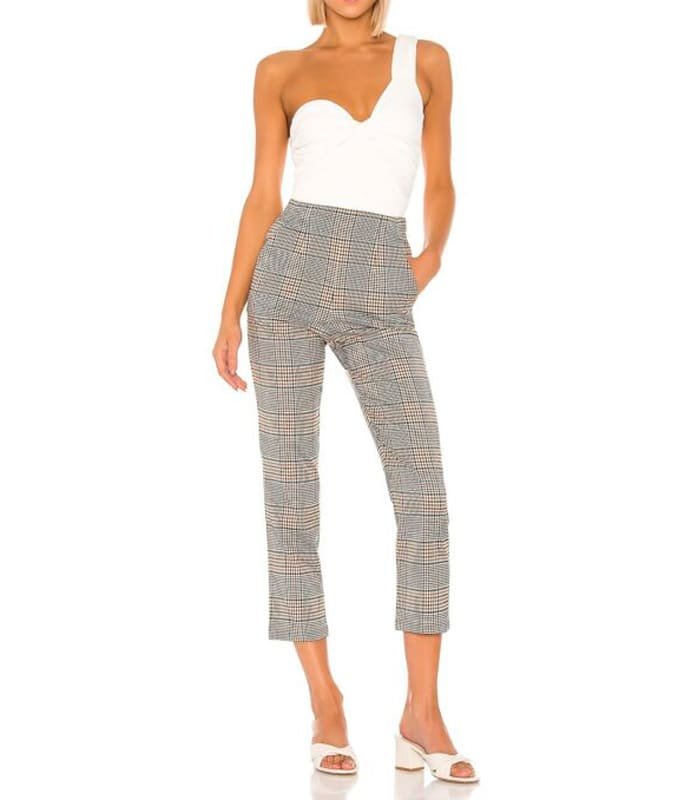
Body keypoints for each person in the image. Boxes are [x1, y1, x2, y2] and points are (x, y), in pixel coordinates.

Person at [212, 0, 478, 784]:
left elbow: (442, 178)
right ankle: (325, 702)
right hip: (286, 280)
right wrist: (229, 308)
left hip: (382, 278)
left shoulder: (427, 59)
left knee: (423, 495)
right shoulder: (280, 70)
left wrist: (430, 259)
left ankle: (421, 713)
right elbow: (263, 196)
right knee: (292, 493)